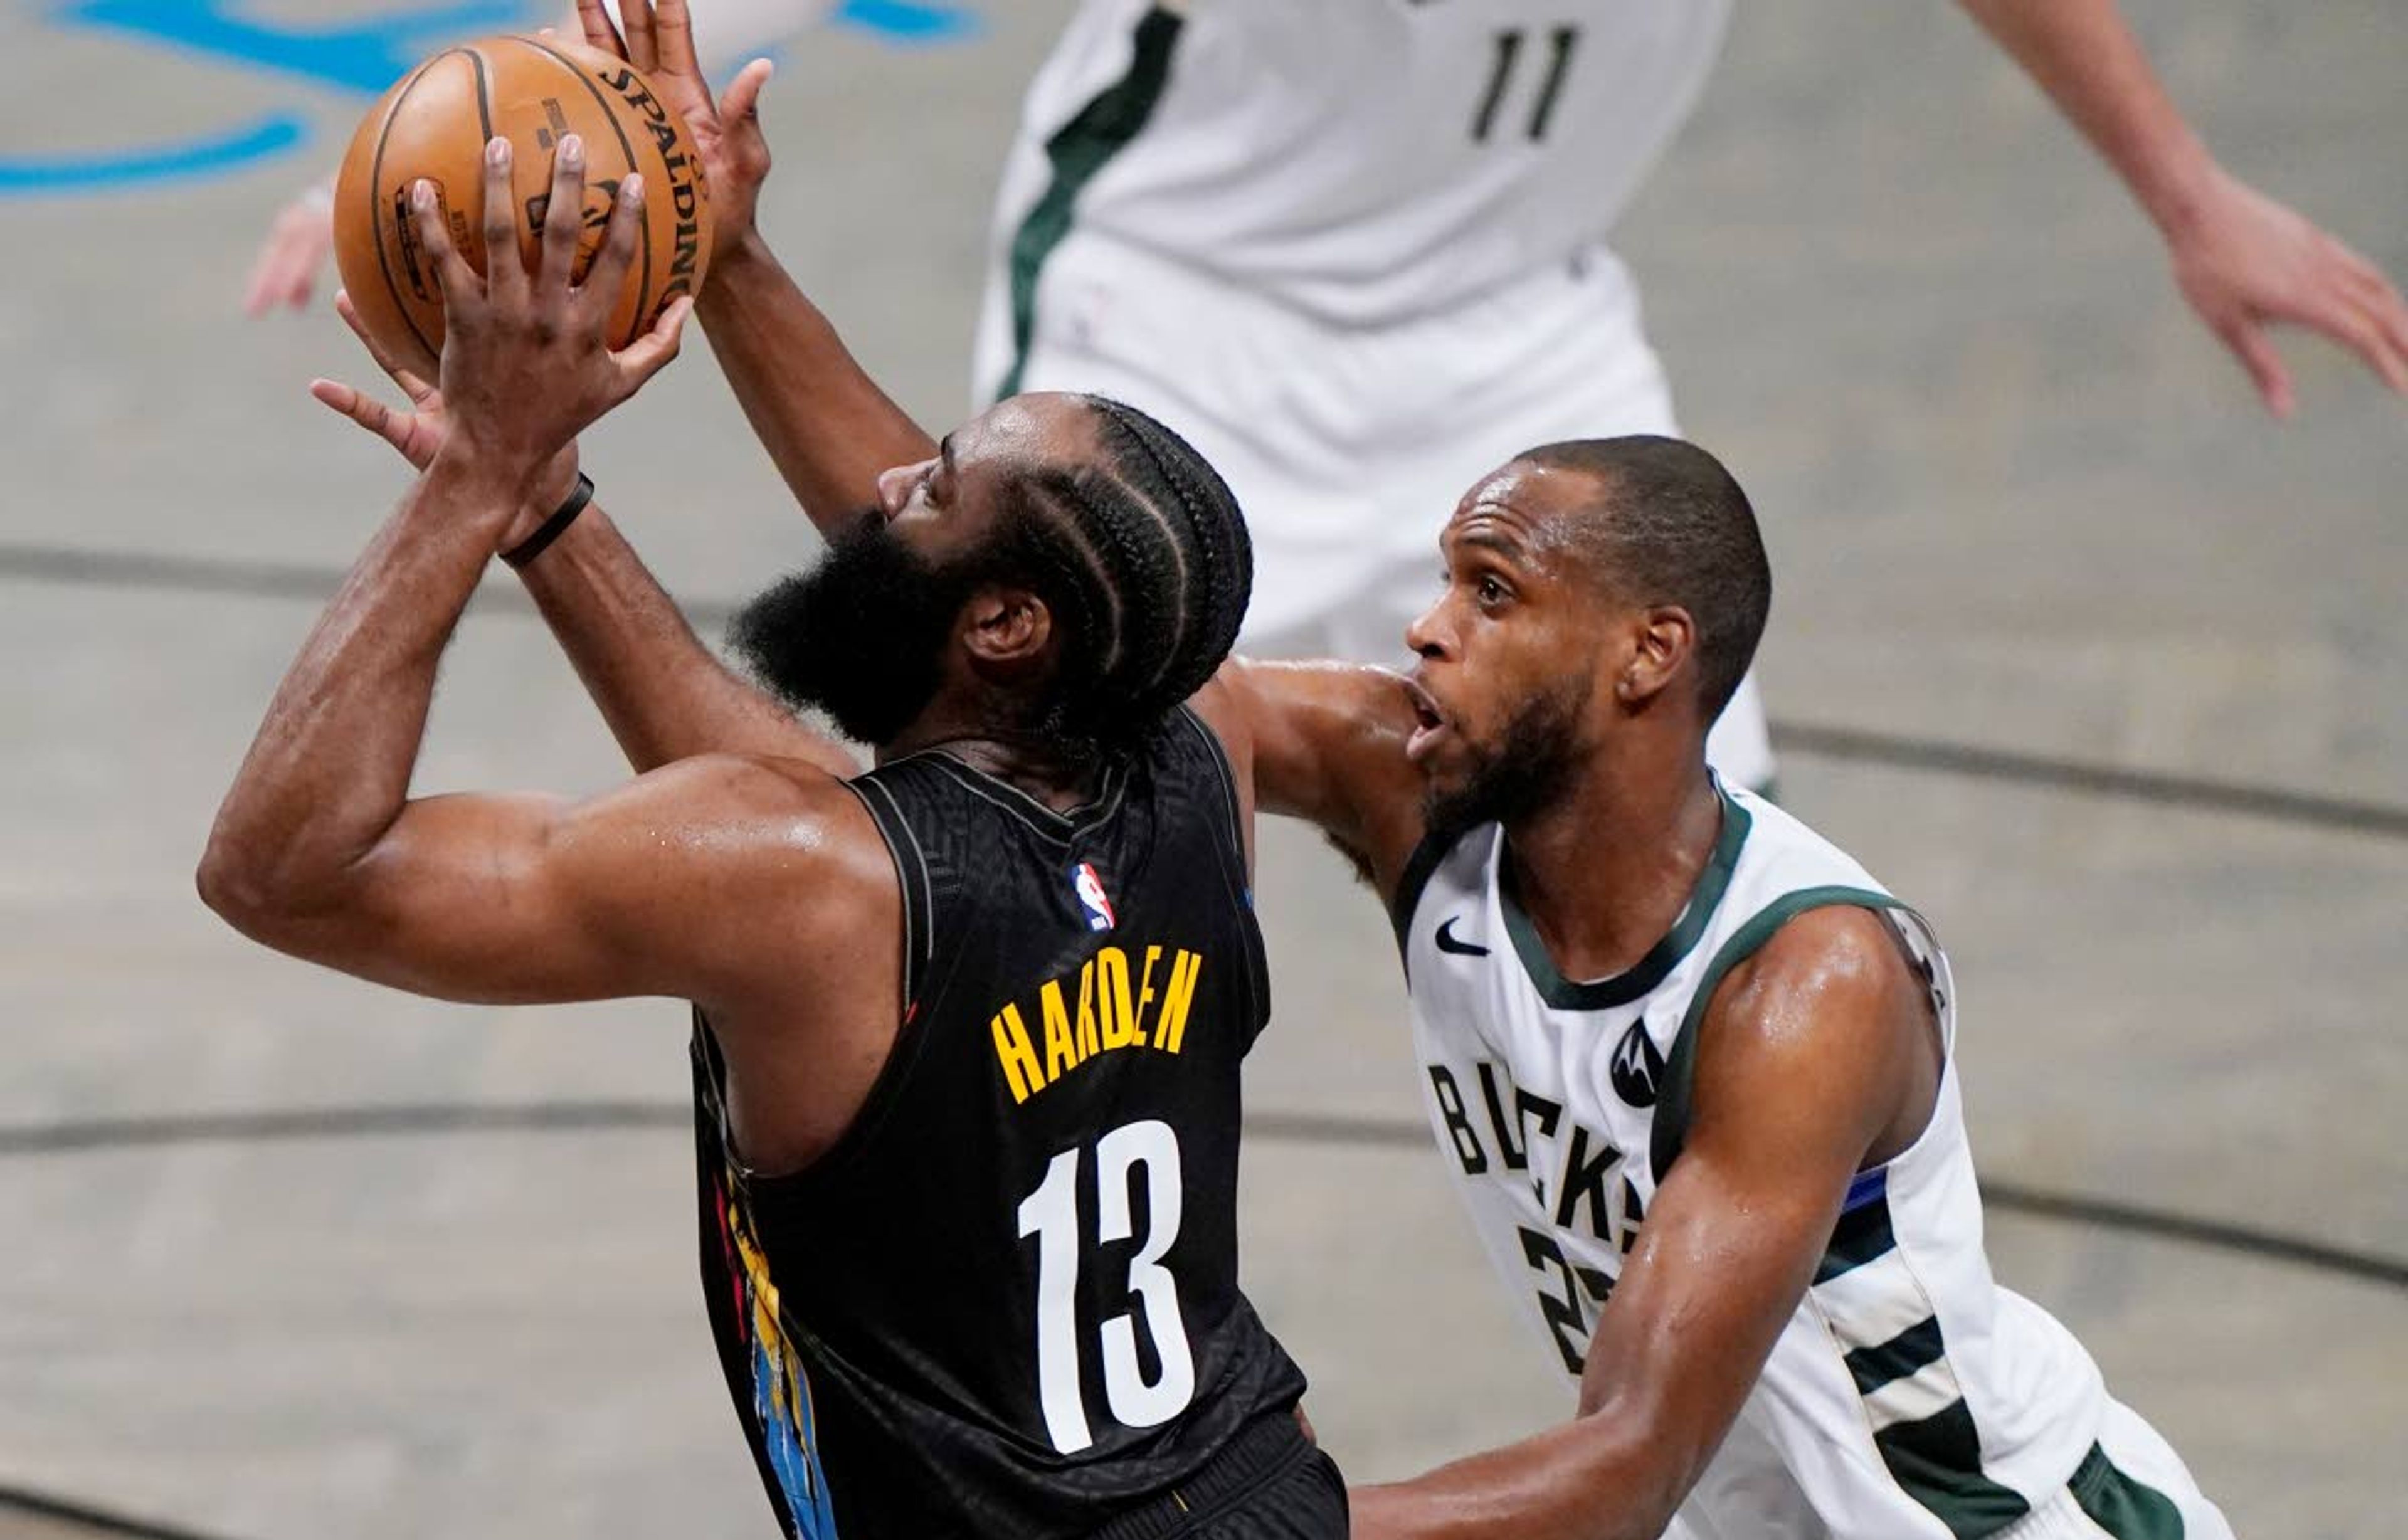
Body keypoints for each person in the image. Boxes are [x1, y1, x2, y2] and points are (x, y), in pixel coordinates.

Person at [413, 10, 2246, 1540]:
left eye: (1496, 598)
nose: (1428, 626)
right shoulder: (1416, 782)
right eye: (1450, 578)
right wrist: (734, 265)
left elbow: (1620, 1463)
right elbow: (1023, 614)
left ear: (1644, 662)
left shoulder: (1805, 988)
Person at [250, 3, 2408, 791]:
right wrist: (477, 125)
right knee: (1017, 797)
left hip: (1518, 319)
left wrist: (2184, 188)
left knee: (1703, 866)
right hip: (1188, 306)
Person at [201, 133, 1357, 1540]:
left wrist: (475, 477)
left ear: (1006, 629)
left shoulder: (816, 883)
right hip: (1262, 1517)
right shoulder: (1201, 743)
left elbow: (286, 869)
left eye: (929, 485)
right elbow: (831, 821)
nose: (877, 482)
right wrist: (567, 485)